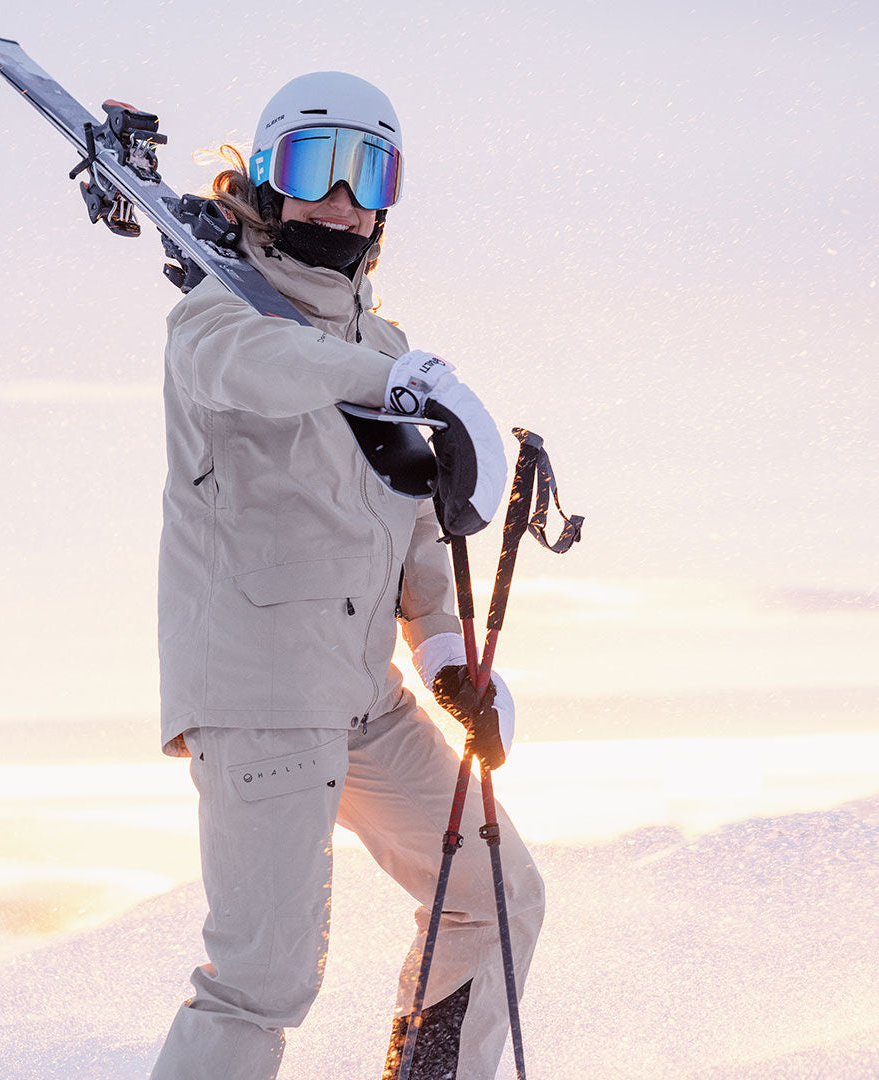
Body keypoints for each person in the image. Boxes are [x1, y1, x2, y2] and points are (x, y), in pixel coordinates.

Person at [150, 71, 545, 1080]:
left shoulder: (380, 344)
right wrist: (399, 384)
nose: (335, 197)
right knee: (261, 982)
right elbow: (262, 372)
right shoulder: (216, 321)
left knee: (495, 894)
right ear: (267, 182)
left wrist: (449, 653)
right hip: (264, 698)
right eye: (308, 165)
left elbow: (409, 515)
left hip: (365, 699)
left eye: (363, 172)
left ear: (386, 199)